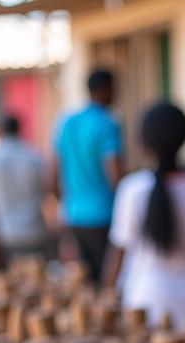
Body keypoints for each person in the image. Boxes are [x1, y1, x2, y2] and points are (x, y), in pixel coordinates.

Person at [103, 101, 185, 332]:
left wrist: (108, 297)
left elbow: (118, 251)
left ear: (143, 143)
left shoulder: (133, 189)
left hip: (146, 298)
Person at [54, 69, 123, 282]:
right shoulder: (107, 124)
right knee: (108, 282)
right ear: (106, 89)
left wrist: (64, 206)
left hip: (74, 214)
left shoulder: (67, 122)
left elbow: (53, 171)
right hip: (103, 215)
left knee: (83, 281)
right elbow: (115, 175)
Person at [0, 114, 48, 264]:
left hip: (2, 232)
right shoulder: (35, 157)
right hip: (33, 230)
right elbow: (47, 189)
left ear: (0, 131)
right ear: (19, 130)